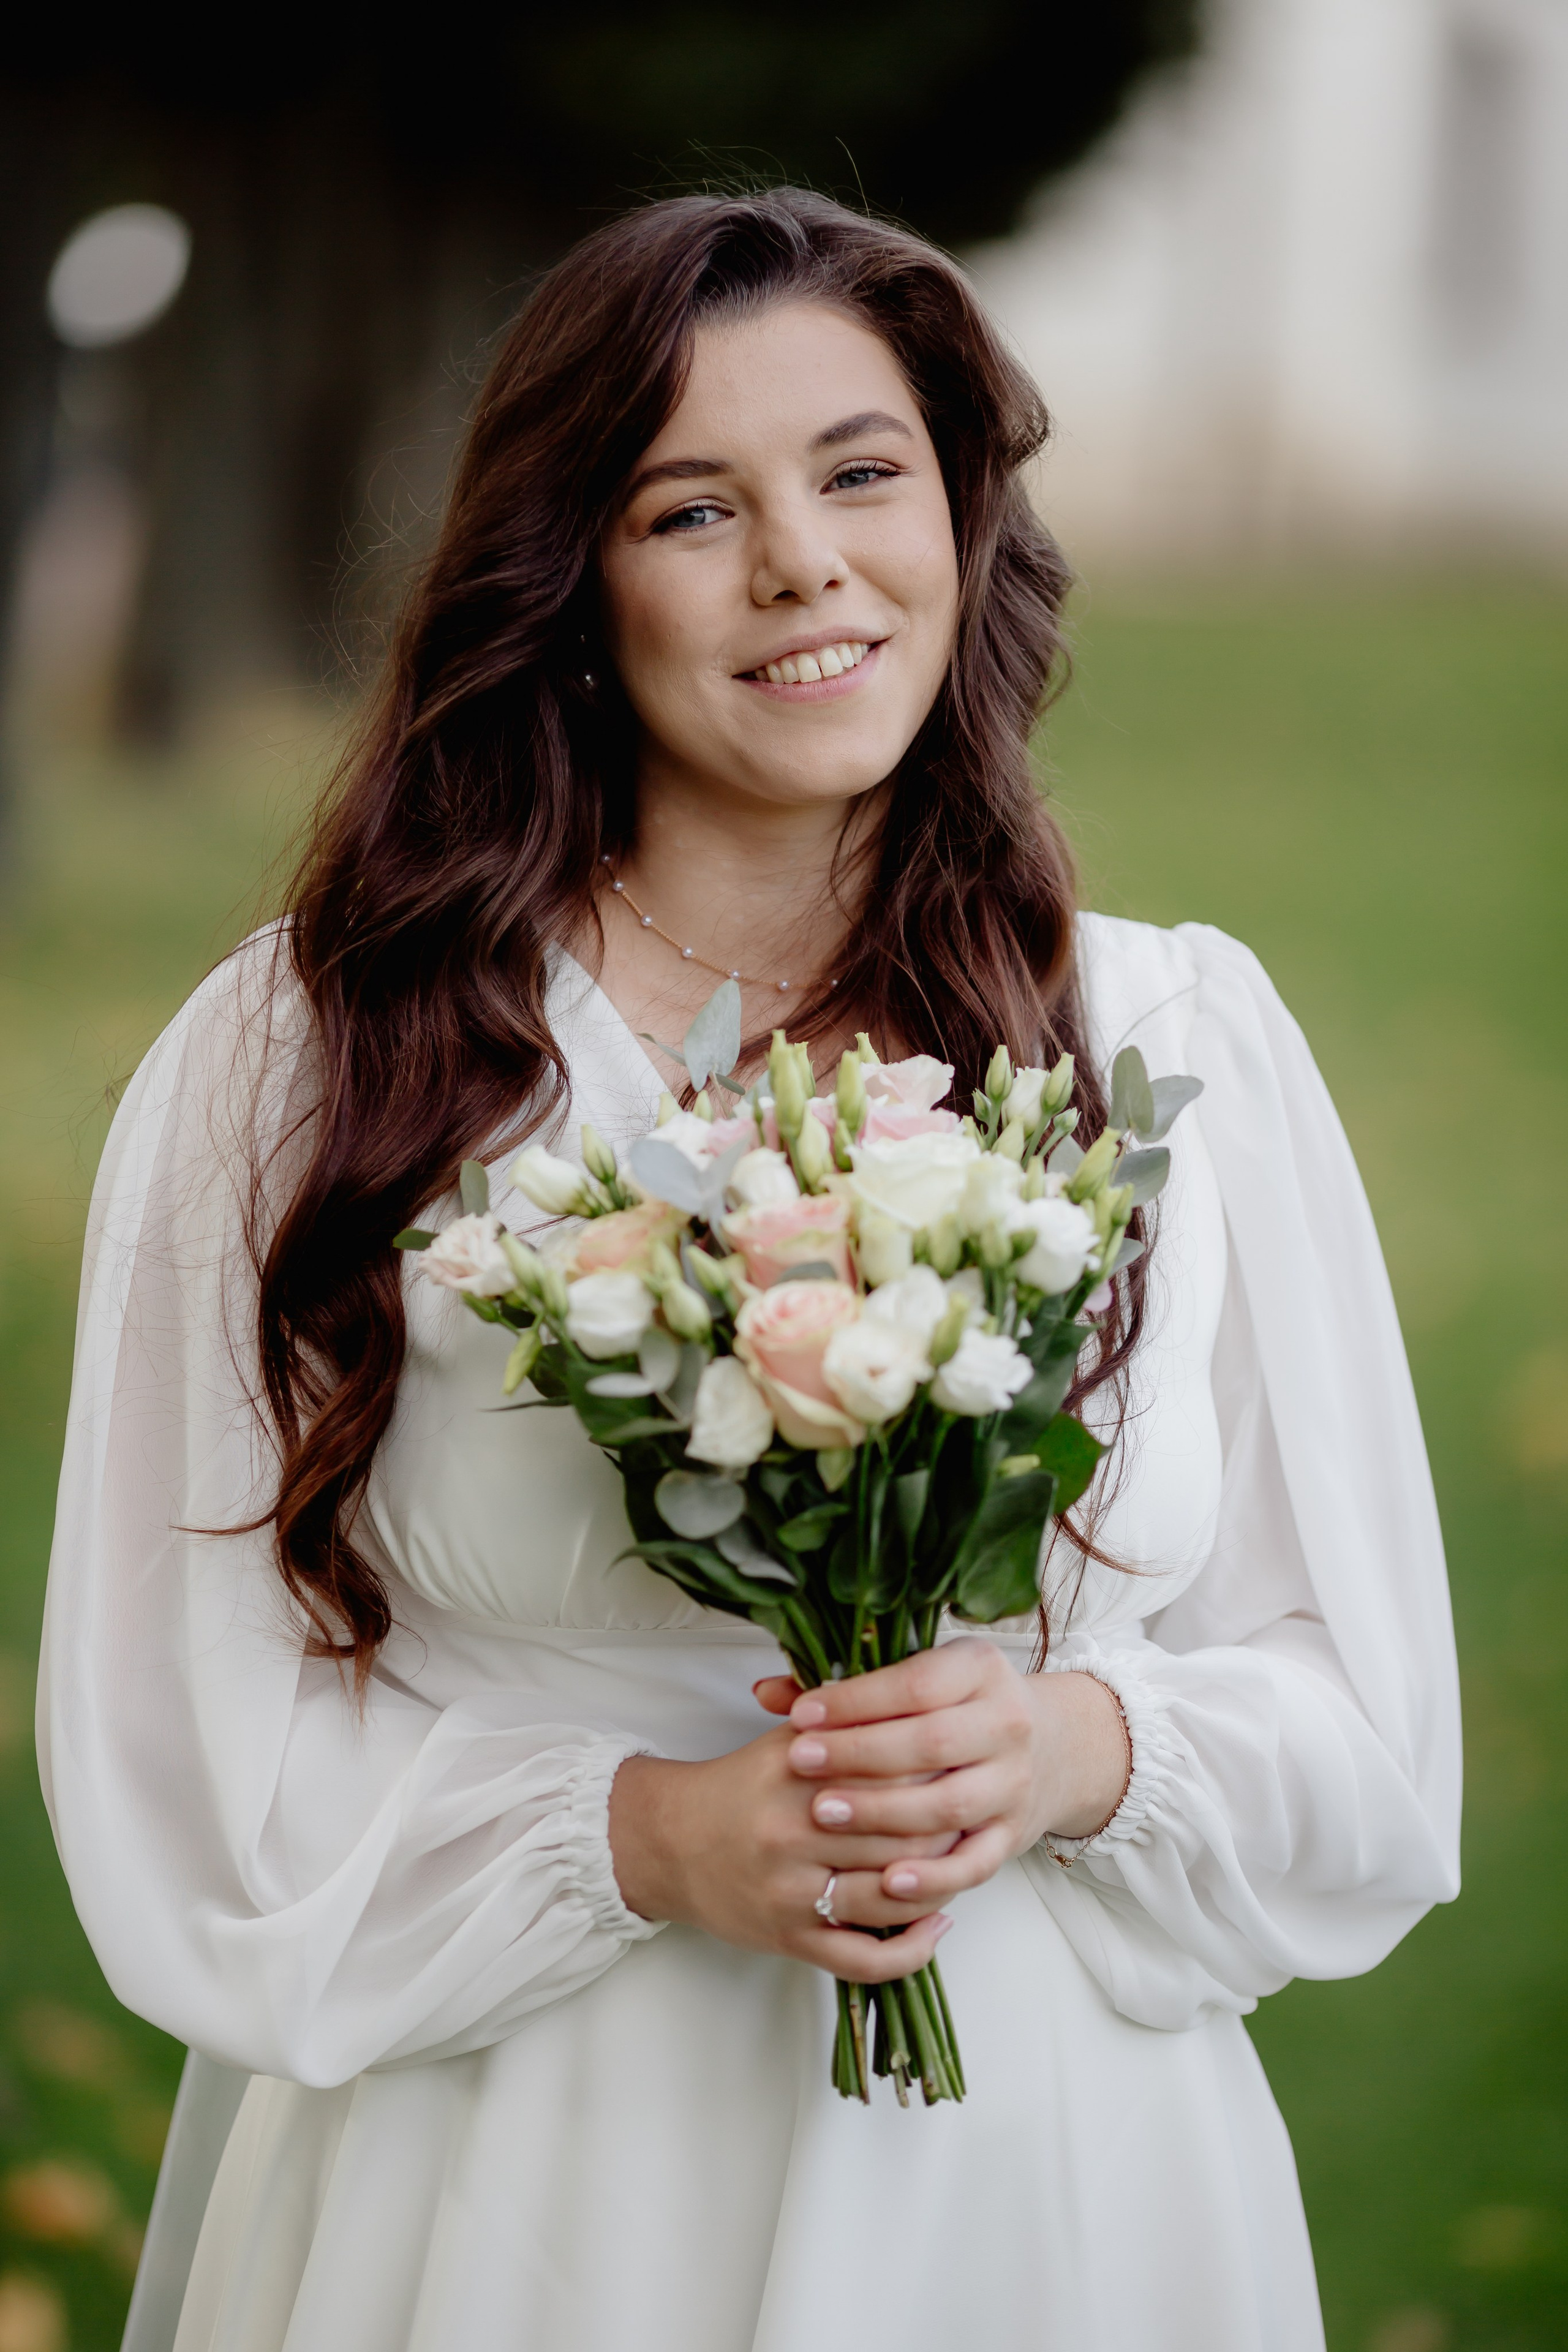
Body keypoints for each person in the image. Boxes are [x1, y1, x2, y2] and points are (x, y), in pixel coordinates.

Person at [40, 189, 1460, 2352]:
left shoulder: (1172, 1045)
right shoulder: (322, 1060)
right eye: (693, 510)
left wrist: (1068, 1750)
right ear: (567, 581)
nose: (805, 564)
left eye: (863, 474)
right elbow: (182, 1749)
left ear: (962, 518)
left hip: (1048, 2190)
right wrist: (638, 1844)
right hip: (516, 2187)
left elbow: (1363, 1737)